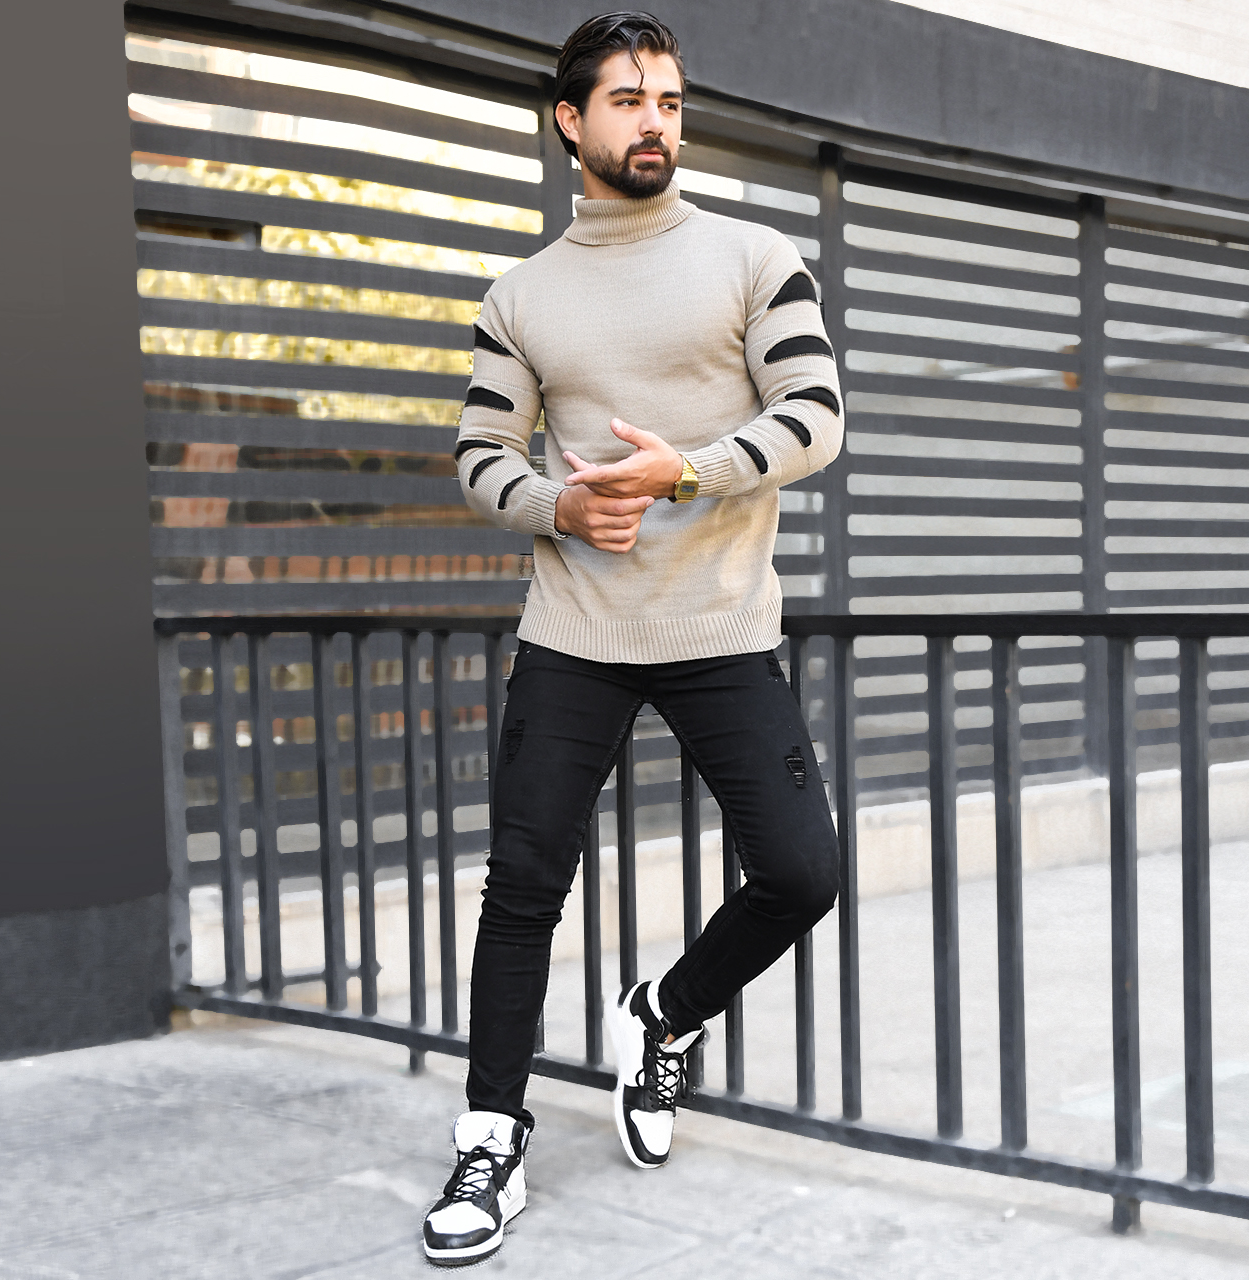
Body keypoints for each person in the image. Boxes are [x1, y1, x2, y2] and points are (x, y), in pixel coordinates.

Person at [422, 10, 844, 1265]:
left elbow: (815, 415)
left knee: (801, 872)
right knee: (521, 887)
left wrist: (686, 469)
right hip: (574, 630)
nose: (654, 120)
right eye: (626, 99)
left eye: (667, 99)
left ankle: (661, 1012)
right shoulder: (520, 296)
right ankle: (489, 1137)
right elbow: (478, 454)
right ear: (570, 120)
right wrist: (554, 504)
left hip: (719, 623)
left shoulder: (753, 257)